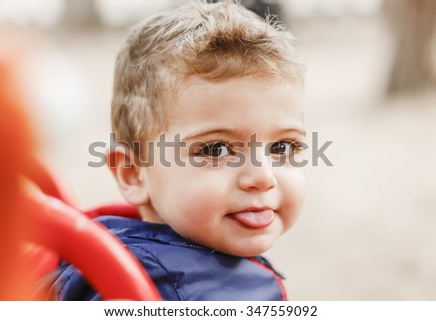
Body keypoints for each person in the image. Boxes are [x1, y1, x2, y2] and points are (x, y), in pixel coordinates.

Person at [51, 0, 306, 300]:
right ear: (134, 174)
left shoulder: (113, 248)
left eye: (282, 146)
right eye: (215, 149)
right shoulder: (170, 290)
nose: (263, 177)